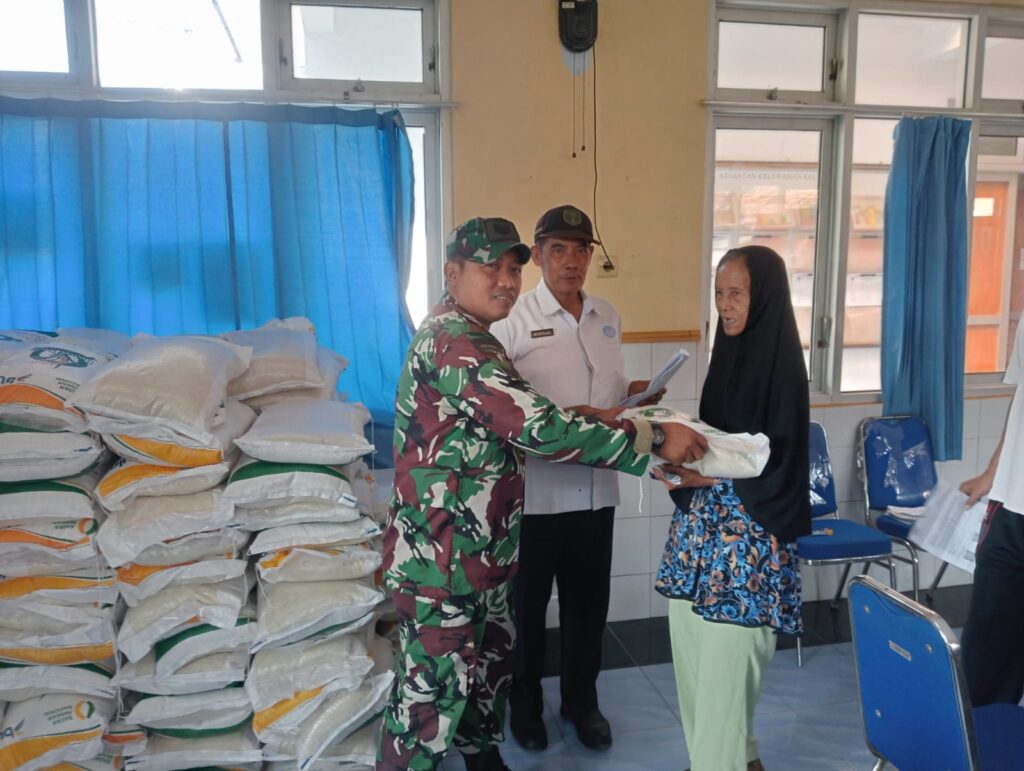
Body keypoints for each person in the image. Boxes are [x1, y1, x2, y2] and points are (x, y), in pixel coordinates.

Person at [376, 216, 708, 771]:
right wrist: (652, 439)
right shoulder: (455, 343)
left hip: (480, 551)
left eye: (511, 268)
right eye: (491, 268)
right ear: (451, 273)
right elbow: (538, 429)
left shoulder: (476, 336)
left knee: (485, 675)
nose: (506, 280)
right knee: (427, 706)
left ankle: (485, 760)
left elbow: (518, 420)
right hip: (443, 563)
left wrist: (596, 417)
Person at [489, 204, 662, 752]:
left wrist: (635, 392)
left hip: (595, 492)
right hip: (535, 498)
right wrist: (588, 414)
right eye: (557, 249)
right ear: (537, 255)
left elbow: (608, 395)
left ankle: (583, 704)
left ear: (592, 256)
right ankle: (527, 709)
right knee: (528, 614)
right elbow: (508, 412)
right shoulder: (510, 319)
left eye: (581, 249)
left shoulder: (606, 314)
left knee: (589, 610)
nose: (570, 261)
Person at [651, 245, 809, 771]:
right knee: (696, 678)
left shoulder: (783, 370)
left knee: (724, 684)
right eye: (719, 294)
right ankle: (737, 759)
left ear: (763, 296)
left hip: (746, 558)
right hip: (699, 546)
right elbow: (716, 444)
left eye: (736, 293)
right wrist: (679, 464)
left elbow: (782, 471)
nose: (725, 305)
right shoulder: (728, 362)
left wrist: (706, 476)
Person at [958, 321, 1023, 707]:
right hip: (1010, 510)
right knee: (985, 656)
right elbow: (1021, 397)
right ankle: (981, 754)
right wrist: (992, 472)